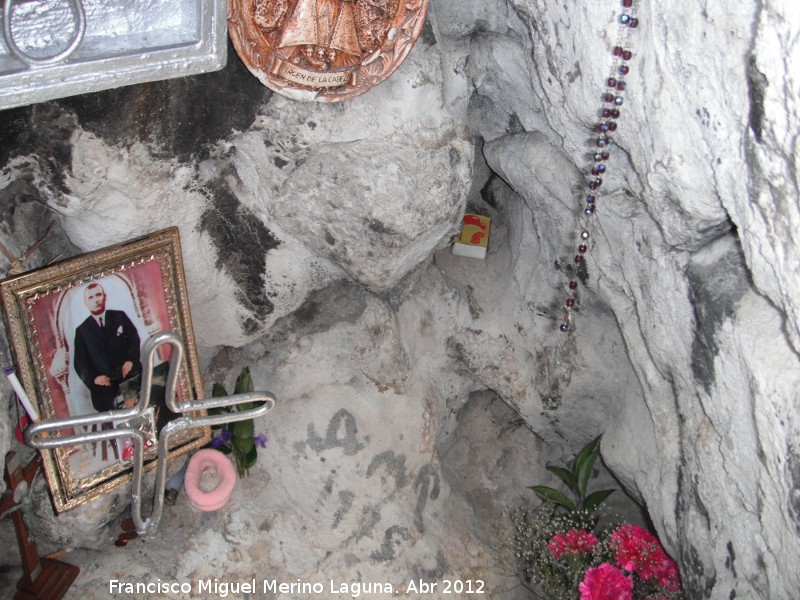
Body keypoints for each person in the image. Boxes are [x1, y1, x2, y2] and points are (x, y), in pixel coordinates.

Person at [73, 283, 142, 413]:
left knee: (136, 392)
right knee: (108, 405)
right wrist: (94, 378)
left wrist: (130, 360)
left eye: (98, 295)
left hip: (126, 373)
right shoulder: (82, 330)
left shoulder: (119, 316)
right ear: (86, 303)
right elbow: (80, 362)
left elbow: (134, 339)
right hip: (103, 382)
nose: (96, 299)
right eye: (91, 297)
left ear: (105, 297)